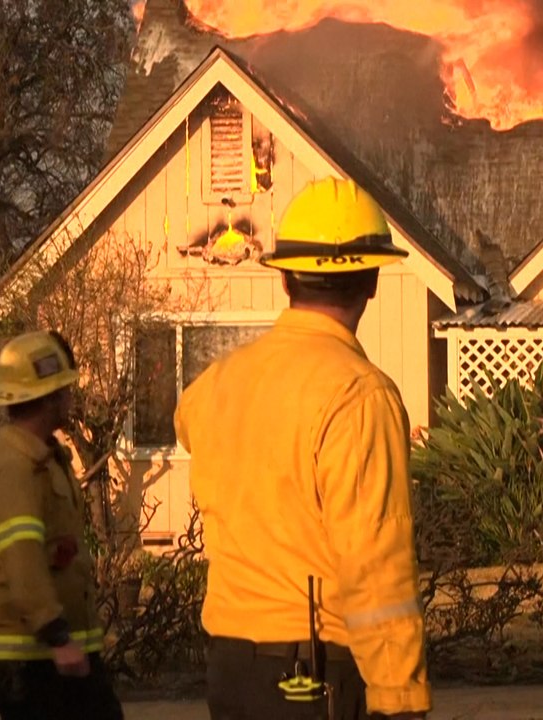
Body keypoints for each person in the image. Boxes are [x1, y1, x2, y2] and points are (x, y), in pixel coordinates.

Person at [175, 177, 431, 720]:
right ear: (371, 282)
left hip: (230, 672)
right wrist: (399, 699)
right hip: (313, 678)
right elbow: (375, 565)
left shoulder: (218, 382)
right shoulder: (361, 396)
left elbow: (188, 424)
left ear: (286, 278)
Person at [0, 330, 124, 720]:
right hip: (36, 659)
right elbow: (21, 558)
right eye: (65, 390)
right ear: (49, 398)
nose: (70, 399)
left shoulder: (44, 459)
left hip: (55, 652)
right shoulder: (15, 468)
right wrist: (57, 636)